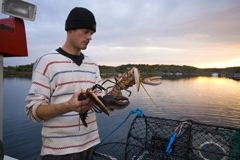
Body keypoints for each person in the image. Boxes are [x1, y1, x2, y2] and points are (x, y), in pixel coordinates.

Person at [25, 7, 102, 160]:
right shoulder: (47, 62)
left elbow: (101, 97)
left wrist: (118, 91)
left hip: (90, 144)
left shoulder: (92, 64)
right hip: (58, 151)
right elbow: (32, 112)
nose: (90, 37)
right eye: (86, 31)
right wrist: (68, 106)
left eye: (92, 33)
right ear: (70, 29)